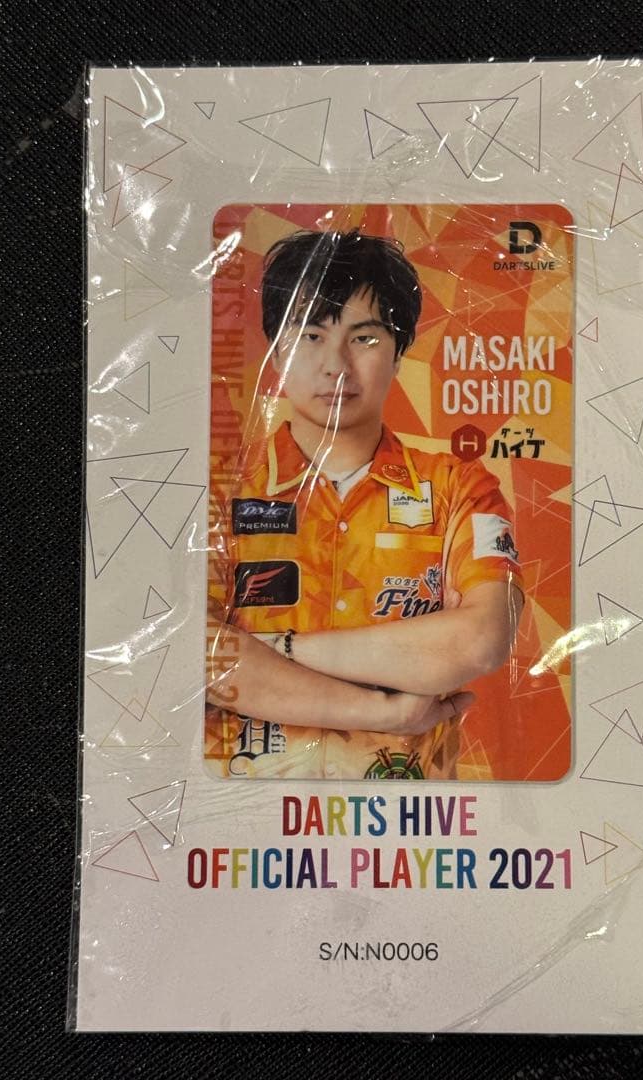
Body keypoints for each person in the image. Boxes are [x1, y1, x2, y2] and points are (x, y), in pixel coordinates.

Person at [206, 227, 523, 780]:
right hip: (246, 819)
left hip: (408, 821)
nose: (337, 364)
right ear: (276, 351)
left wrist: (272, 648)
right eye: (311, 335)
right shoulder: (218, 490)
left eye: (365, 338)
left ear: (399, 353)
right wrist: (385, 712)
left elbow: (481, 641)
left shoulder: (458, 487)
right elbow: (195, 656)